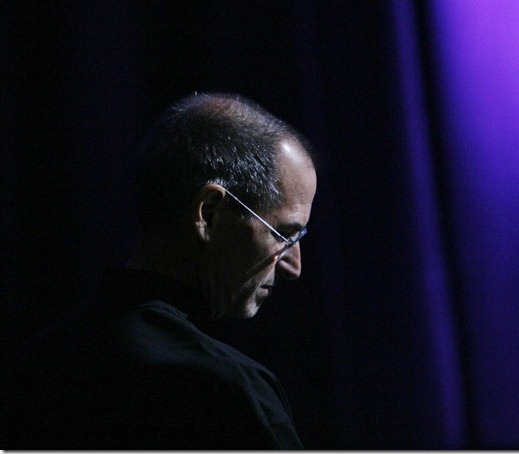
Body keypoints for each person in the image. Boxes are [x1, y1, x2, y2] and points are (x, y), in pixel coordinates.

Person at [3, 93, 317, 449]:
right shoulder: (225, 391)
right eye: (284, 235)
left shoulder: (32, 371)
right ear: (209, 213)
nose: (294, 267)